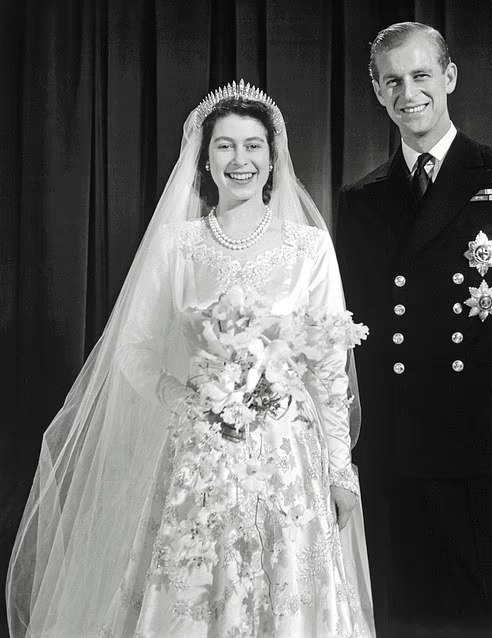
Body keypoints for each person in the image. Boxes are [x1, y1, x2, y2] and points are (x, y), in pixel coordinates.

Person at [7, 81, 375, 638]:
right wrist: (179, 397)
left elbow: (328, 366)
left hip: (287, 458)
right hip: (201, 454)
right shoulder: (178, 245)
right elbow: (131, 347)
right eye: (225, 145)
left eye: (252, 145)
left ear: (272, 158)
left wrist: (340, 471)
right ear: (205, 158)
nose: (239, 159)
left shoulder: (308, 248)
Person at [336, 22, 492, 637]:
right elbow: (349, 327)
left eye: (421, 76)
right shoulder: (360, 200)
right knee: (399, 613)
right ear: (377, 92)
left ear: (450, 78)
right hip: (390, 440)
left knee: (472, 615)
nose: (408, 93)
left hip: (477, 429)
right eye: (392, 81)